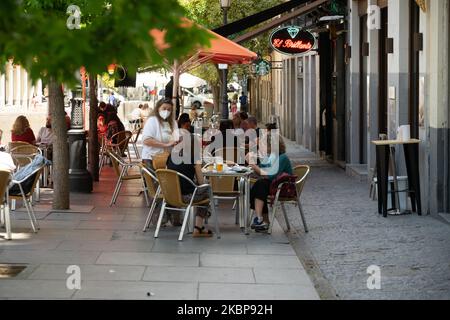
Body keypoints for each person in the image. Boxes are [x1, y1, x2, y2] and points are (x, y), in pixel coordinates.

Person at [166, 133, 213, 237]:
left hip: (170, 195)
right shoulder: (194, 158)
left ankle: (200, 223)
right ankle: (198, 227)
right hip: (186, 197)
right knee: (207, 190)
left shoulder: (171, 156)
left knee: (200, 189)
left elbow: (167, 173)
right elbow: (201, 183)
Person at [248, 134, 293, 232]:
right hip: (273, 186)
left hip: (283, 188)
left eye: (265, 145)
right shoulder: (272, 157)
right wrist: (253, 165)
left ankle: (261, 219)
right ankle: (263, 220)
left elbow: (271, 176)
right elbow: (263, 167)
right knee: (259, 185)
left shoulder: (282, 158)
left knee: (260, 185)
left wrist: (254, 166)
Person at [142, 98, 178, 171]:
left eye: (169, 109)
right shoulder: (152, 121)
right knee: (153, 182)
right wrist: (166, 144)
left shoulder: (173, 123)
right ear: (158, 108)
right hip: (151, 158)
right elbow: (146, 140)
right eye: (164, 108)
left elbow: (176, 138)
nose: (166, 111)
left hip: (168, 159)